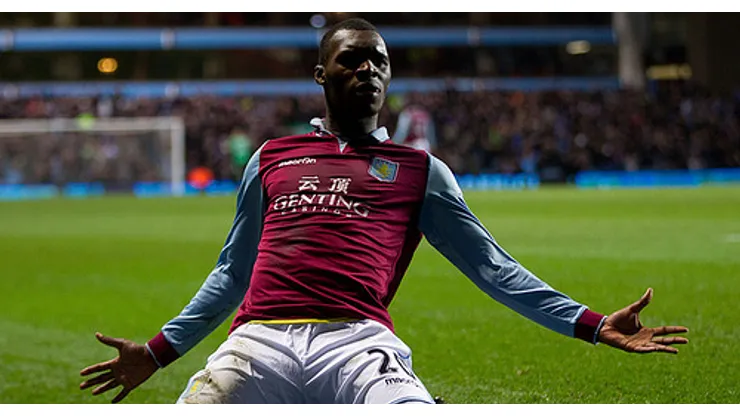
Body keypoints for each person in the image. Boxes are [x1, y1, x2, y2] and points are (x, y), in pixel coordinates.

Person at [79, 18, 689, 405]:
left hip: (359, 344)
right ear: (321, 74)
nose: (367, 69)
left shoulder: (422, 171)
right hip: (257, 342)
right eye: (352, 59)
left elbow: (494, 269)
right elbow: (231, 274)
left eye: (379, 60)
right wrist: (157, 351)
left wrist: (592, 323)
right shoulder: (271, 157)